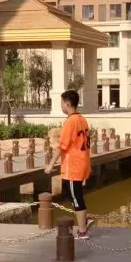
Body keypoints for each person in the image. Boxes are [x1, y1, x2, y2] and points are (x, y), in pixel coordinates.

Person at [44, 89, 93, 239]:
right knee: (70, 192)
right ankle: (84, 218)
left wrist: (50, 165)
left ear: (67, 104)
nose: (61, 106)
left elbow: (62, 146)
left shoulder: (70, 122)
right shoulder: (82, 119)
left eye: (62, 103)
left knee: (76, 197)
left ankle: (82, 231)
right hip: (82, 163)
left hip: (74, 166)